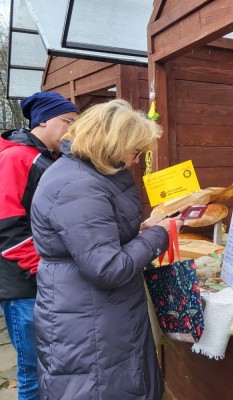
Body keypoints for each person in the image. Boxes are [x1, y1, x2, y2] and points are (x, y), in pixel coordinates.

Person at [29, 99, 182, 400]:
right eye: (135, 151)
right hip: (90, 323)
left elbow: (95, 241)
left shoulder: (84, 174)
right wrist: (157, 236)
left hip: (94, 314)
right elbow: (107, 268)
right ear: (113, 142)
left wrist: (140, 231)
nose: (137, 160)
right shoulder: (79, 185)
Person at [0, 91, 79, 400]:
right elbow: (7, 227)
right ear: (43, 119)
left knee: (50, 366)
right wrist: (44, 270)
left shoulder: (49, 157)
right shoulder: (16, 157)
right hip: (24, 286)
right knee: (33, 372)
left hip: (40, 282)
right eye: (69, 122)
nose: (73, 130)